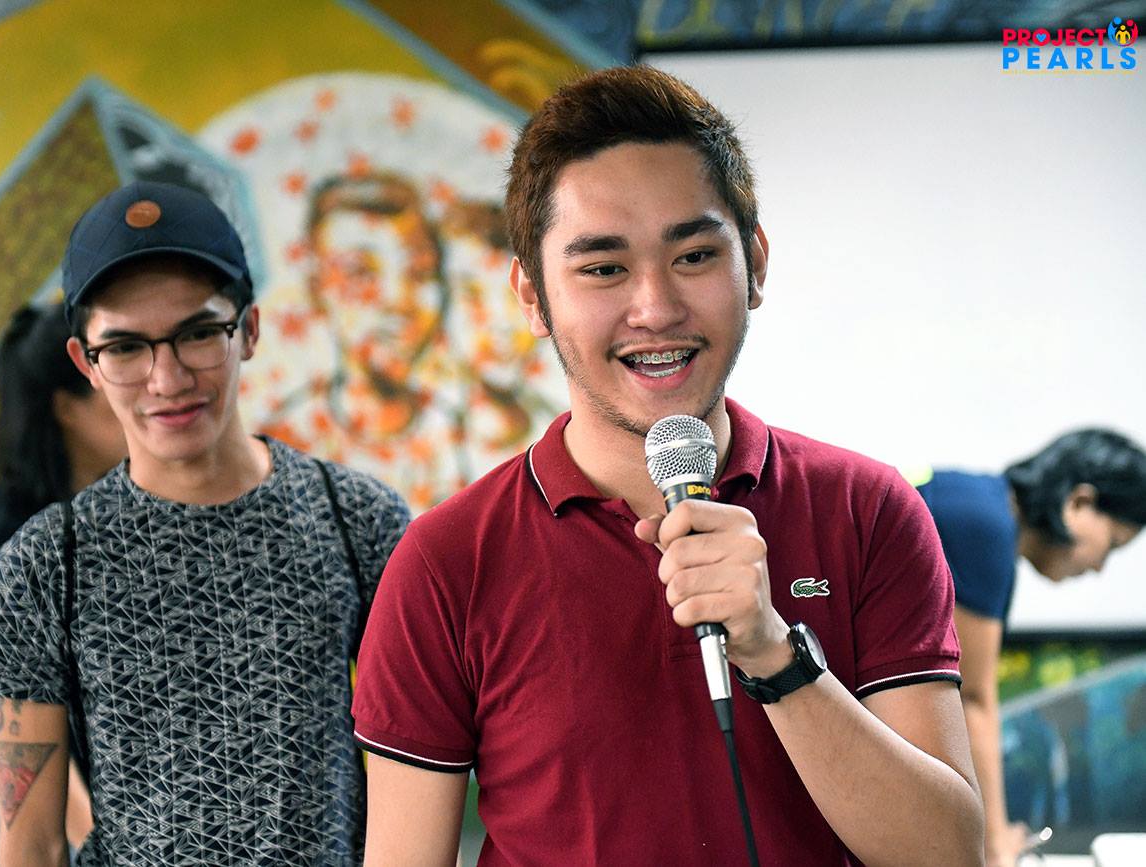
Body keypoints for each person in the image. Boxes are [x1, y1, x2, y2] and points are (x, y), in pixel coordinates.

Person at [350, 65, 985, 866]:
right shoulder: (447, 560)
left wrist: (774, 654)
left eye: (693, 255)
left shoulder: (867, 508)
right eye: (603, 268)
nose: (655, 308)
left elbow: (948, 854)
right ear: (532, 295)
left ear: (755, 263)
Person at [0, 180, 411, 866]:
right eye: (126, 347)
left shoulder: (359, 520)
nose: (167, 379)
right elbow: (31, 842)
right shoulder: (43, 565)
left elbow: (414, 788)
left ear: (249, 330)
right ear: (86, 363)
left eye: (199, 334)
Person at [0, 303, 128, 867]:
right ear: (67, 408)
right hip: (25, 830)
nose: (142, 404)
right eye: (114, 390)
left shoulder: (114, 508)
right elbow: (28, 729)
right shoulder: (11, 534)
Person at [916, 429, 1146, 867]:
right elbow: (971, 699)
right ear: (1078, 502)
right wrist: (995, 846)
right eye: (1112, 544)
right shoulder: (986, 526)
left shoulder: (979, 505)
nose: (1100, 568)